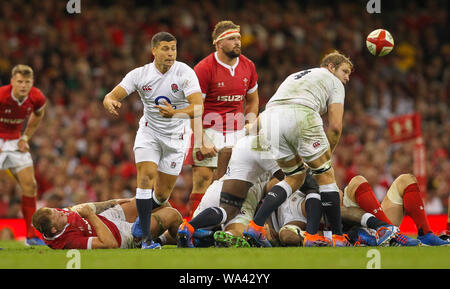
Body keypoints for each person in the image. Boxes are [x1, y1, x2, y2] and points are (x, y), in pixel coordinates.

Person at [103, 32, 203, 249]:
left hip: (176, 138)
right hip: (150, 134)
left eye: (174, 48)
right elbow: (112, 95)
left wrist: (174, 114)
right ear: (154, 51)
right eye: (165, 48)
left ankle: (141, 222)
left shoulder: (185, 73)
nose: (170, 53)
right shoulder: (140, 75)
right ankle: (146, 239)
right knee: (146, 177)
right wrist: (109, 101)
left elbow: (198, 107)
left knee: (161, 193)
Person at [243, 50, 353, 247]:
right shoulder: (333, 81)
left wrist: (250, 129)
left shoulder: (294, 76)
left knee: (294, 177)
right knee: (326, 176)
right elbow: (335, 127)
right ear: (331, 67)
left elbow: (272, 107)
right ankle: (338, 237)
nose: (347, 77)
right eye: (345, 71)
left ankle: (255, 226)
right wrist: (326, 157)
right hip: (301, 115)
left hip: (270, 120)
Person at [186, 20, 260, 218]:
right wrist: (202, 139)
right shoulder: (204, 68)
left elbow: (252, 100)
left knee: (232, 180)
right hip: (208, 127)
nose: (238, 42)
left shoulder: (248, 66)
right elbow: (195, 109)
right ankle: (194, 226)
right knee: (203, 179)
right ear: (218, 43)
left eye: (238, 38)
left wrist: (250, 123)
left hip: (236, 131)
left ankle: (222, 223)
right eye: (231, 39)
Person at [177, 133, 282, 248]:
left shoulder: (244, 143)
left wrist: (220, 180)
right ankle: (224, 236)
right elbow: (273, 189)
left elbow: (226, 151)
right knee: (238, 232)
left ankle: (169, 236)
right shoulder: (275, 159)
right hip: (243, 196)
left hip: (218, 187)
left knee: (194, 228)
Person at [0, 64, 47, 246]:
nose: (23, 86)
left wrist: (26, 137)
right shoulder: (2, 95)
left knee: (30, 185)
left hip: (15, 141)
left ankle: (30, 236)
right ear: (12, 82)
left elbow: (39, 114)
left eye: (27, 82)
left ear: (32, 83)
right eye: (19, 81)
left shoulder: (37, 97)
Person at [32, 198, 182, 249]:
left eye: (55, 210)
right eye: (57, 215)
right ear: (53, 230)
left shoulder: (55, 218)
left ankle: (161, 238)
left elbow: (81, 208)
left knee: (158, 201)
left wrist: (112, 202)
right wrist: (90, 216)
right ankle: (184, 240)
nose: (60, 212)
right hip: (121, 235)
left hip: (108, 217)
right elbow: (109, 243)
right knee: (172, 215)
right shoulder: (68, 241)